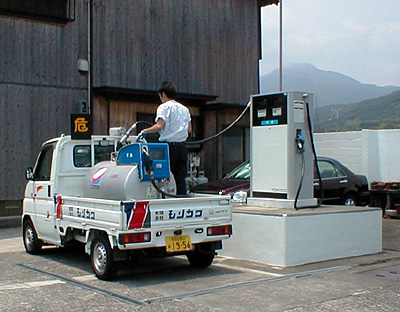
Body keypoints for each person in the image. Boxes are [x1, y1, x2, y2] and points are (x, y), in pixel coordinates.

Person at [138, 81, 192, 195]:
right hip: (182, 148)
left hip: (168, 148)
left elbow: (159, 126)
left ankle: (166, 200)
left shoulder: (164, 107)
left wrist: (144, 131)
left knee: (165, 177)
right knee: (180, 178)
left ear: (163, 94)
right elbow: (189, 130)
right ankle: (181, 202)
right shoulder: (184, 109)